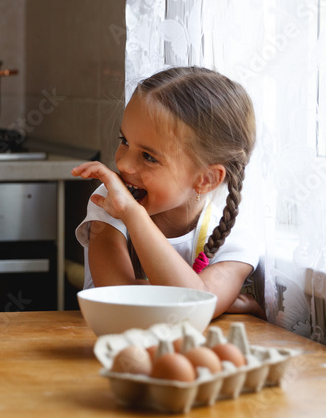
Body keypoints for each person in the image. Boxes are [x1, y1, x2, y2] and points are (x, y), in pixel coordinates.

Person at [71, 66, 263, 318]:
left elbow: (193, 306)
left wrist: (132, 213)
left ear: (205, 179)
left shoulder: (236, 227)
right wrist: (218, 300)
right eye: (125, 141)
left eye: (149, 157)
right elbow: (120, 297)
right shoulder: (110, 202)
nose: (123, 164)